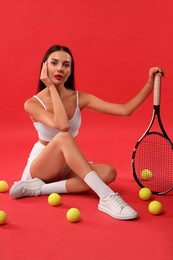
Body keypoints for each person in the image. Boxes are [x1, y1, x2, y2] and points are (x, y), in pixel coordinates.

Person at [10, 44, 163, 220]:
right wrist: (51, 88)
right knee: (63, 137)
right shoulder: (32, 103)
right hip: (41, 166)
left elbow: (125, 110)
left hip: (66, 165)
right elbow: (62, 126)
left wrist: (150, 84)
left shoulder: (79, 98)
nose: (60, 68)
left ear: (70, 70)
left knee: (108, 172)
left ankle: (38, 188)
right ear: (45, 67)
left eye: (66, 65)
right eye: (54, 63)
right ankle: (106, 197)